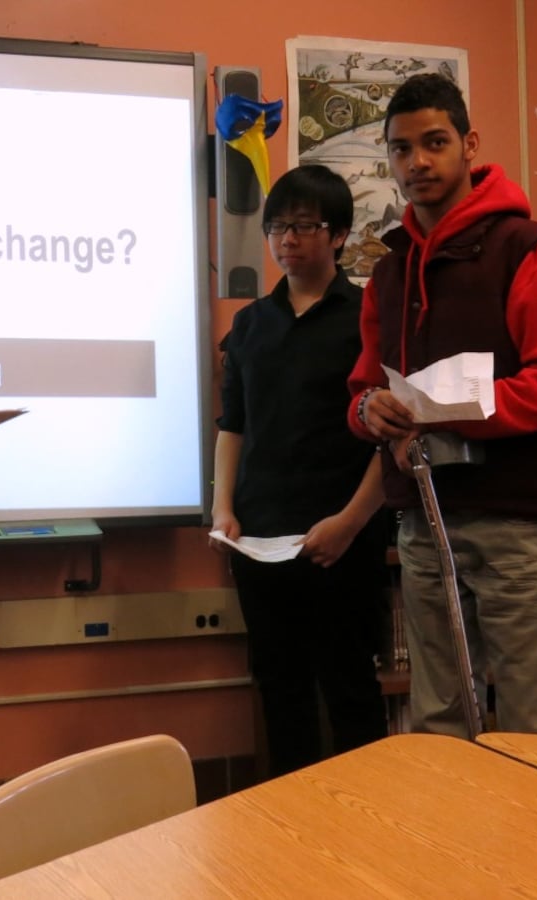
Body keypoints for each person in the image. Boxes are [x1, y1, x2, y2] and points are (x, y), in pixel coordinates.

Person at [347, 73, 537, 737]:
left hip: (515, 522)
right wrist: (373, 411)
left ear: (468, 144)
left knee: (532, 727)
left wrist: (433, 406)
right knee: (437, 723)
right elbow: (363, 391)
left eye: (434, 143)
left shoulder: (527, 250)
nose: (416, 162)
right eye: (401, 149)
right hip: (424, 524)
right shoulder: (389, 272)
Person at [209, 165, 388, 777]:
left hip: (343, 538)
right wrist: (223, 509)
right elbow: (232, 425)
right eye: (277, 227)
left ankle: (369, 825)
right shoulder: (251, 325)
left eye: (304, 226)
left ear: (337, 235)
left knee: (350, 685)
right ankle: (291, 833)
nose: (288, 240)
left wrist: (348, 523)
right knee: (279, 688)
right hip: (260, 538)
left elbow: (391, 439)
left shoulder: (369, 318)